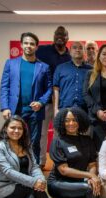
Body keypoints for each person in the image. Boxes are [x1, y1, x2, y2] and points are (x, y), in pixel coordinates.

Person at [0, 32, 52, 164]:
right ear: (21, 45)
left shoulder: (44, 67)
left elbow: (49, 89)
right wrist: (5, 107)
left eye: (32, 44)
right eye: (26, 43)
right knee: (14, 139)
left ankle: (32, 168)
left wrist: (41, 102)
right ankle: (13, 167)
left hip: (35, 111)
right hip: (15, 110)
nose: (29, 46)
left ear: (36, 47)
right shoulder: (10, 64)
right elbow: (4, 87)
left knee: (34, 142)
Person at [47, 107, 105, 198]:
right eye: (67, 120)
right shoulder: (58, 141)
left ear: (80, 121)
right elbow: (63, 170)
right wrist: (89, 175)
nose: (71, 123)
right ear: (62, 123)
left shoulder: (87, 140)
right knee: (89, 189)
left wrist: (92, 177)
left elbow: (92, 164)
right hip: (58, 184)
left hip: (78, 185)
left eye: (74, 120)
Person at [0, 115, 59, 198]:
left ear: (23, 130)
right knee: (34, 192)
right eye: (13, 127)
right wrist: (34, 182)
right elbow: (7, 171)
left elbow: (35, 167)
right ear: (5, 128)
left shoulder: (26, 145)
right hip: (5, 187)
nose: (16, 131)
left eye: (20, 128)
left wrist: (40, 179)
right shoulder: (0, 147)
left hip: (25, 185)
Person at [36, 25, 71, 168]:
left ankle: (58, 162)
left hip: (61, 103)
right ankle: (40, 162)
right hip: (44, 101)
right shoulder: (43, 51)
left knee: (59, 134)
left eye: (63, 35)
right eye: (57, 34)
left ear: (67, 38)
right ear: (53, 36)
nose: (60, 37)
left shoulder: (69, 57)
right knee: (42, 133)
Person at [53, 41, 92, 115]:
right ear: (70, 52)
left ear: (84, 52)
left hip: (85, 110)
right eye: (74, 48)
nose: (77, 50)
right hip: (64, 109)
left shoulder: (91, 70)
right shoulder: (60, 68)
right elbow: (56, 89)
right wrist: (55, 109)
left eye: (80, 48)